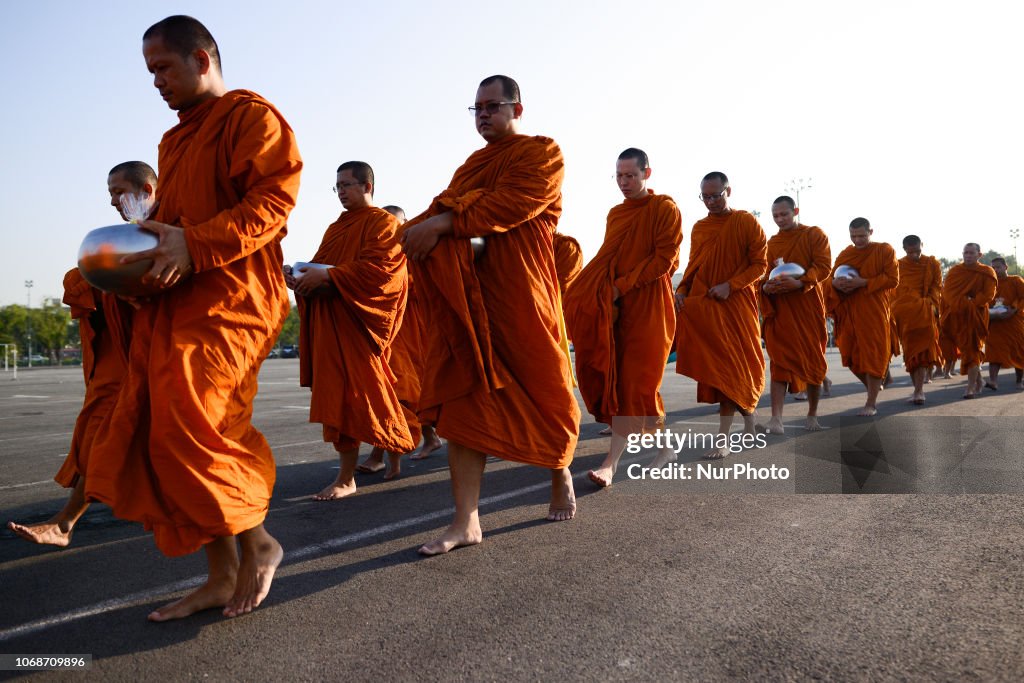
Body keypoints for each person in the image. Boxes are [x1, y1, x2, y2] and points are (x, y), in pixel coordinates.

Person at [85, 15, 303, 621]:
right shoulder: (175, 140)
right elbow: (171, 225)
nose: (156, 81)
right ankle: (219, 572)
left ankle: (259, 541)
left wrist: (193, 246)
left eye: (164, 67)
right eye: (150, 71)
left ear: (202, 59)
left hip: (233, 300)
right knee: (163, 428)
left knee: (198, 425)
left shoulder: (251, 117)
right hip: (180, 300)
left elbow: (273, 204)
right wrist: (141, 269)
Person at [400, 75, 580, 555]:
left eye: (492, 105)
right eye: (476, 107)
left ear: (517, 109)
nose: (483, 114)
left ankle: (559, 469)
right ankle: (466, 522)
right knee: (465, 400)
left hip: (524, 294)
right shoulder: (471, 166)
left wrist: (441, 223)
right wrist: (414, 231)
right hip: (472, 298)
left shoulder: (543, 153)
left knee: (548, 390)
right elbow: (443, 206)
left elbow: (510, 205)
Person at [6, 162, 151, 546]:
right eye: (110, 195)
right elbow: (84, 282)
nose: (114, 202)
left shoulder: (174, 233)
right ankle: (65, 522)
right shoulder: (127, 237)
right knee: (97, 433)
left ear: (147, 189)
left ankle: (242, 537)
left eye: (119, 192)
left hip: (164, 356)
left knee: (179, 443)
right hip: (118, 361)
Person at [289, 162, 415, 498]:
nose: (341, 192)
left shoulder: (383, 224)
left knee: (359, 398)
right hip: (332, 327)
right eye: (337, 186)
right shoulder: (336, 228)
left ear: (367, 186)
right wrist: (300, 278)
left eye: (346, 184)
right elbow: (321, 264)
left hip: (357, 328)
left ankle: (351, 476)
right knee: (338, 402)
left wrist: (330, 277)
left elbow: (384, 273)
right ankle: (353, 473)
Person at [565, 148, 681, 486]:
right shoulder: (617, 214)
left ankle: (611, 463)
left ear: (647, 173)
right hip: (618, 307)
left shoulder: (664, 209)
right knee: (624, 381)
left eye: (630, 175)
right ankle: (665, 449)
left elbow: (666, 259)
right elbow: (607, 258)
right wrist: (595, 291)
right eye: (619, 176)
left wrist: (623, 285)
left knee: (638, 381)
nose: (624, 182)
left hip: (650, 306)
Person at [674, 172, 767, 458]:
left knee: (738, 369)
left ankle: (736, 430)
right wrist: (683, 289)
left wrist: (731, 285)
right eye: (706, 196)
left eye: (716, 195)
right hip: (709, 309)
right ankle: (729, 436)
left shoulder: (746, 222)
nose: (711, 201)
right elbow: (694, 264)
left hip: (737, 306)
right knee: (722, 373)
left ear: (729, 191)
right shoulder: (701, 228)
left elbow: (760, 265)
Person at [353, 204, 443, 473]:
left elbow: (428, 284)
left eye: (395, 223)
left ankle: (382, 455)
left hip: (412, 329)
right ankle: (425, 439)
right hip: (387, 329)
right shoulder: (377, 250)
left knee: (401, 391)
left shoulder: (416, 250)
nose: (389, 228)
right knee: (400, 390)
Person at [758, 196, 831, 433]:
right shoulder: (771, 244)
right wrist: (766, 288)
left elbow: (823, 266)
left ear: (795, 211)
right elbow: (765, 275)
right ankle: (776, 419)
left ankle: (812, 416)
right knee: (779, 364)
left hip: (807, 306)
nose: (780, 219)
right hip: (782, 311)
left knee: (813, 364)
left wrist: (800, 283)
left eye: (784, 214)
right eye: (775, 216)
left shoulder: (813, 235)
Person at [827, 218, 899, 416]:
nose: (857, 240)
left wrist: (863, 282)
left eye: (861, 236)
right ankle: (877, 382)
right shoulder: (846, 254)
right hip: (849, 312)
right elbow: (831, 278)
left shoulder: (884, 250)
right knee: (850, 356)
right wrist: (835, 284)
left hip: (874, 312)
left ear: (871, 232)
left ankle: (871, 402)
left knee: (873, 356)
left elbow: (893, 279)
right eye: (853, 236)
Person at [940, 243, 997, 398]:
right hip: (957, 316)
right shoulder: (955, 271)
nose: (968, 256)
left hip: (976, 315)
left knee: (973, 350)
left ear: (979, 255)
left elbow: (989, 295)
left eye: (972, 253)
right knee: (967, 350)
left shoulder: (987, 272)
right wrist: (963, 302)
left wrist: (971, 302)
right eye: (966, 252)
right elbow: (947, 292)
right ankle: (980, 381)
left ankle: (970, 388)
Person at [891, 235, 942, 404]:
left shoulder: (932, 264)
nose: (915, 255)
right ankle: (917, 390)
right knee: (911, 356)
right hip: (906, 316)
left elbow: (936, 286)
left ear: (922, 246)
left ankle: (919, 391)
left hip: (925, 313)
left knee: (922, 355)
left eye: (918, 251)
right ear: (904, 249)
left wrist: (929, 303)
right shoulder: (898, 265)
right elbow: (895, 290)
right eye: (911, 252)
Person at [985, 256, 1024, 390]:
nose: (995, 270)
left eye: (998, 267)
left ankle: (1019, 381)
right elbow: (986, 300)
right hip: (996, 323)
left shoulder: (1016, 280)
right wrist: (990, 312)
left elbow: (1022, 297)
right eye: (993, 267)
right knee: (993, 351)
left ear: (1005, 267)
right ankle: (993, 381)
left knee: (1018, 352)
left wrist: (1013, 309)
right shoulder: (990, 284)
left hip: (1013, 322)